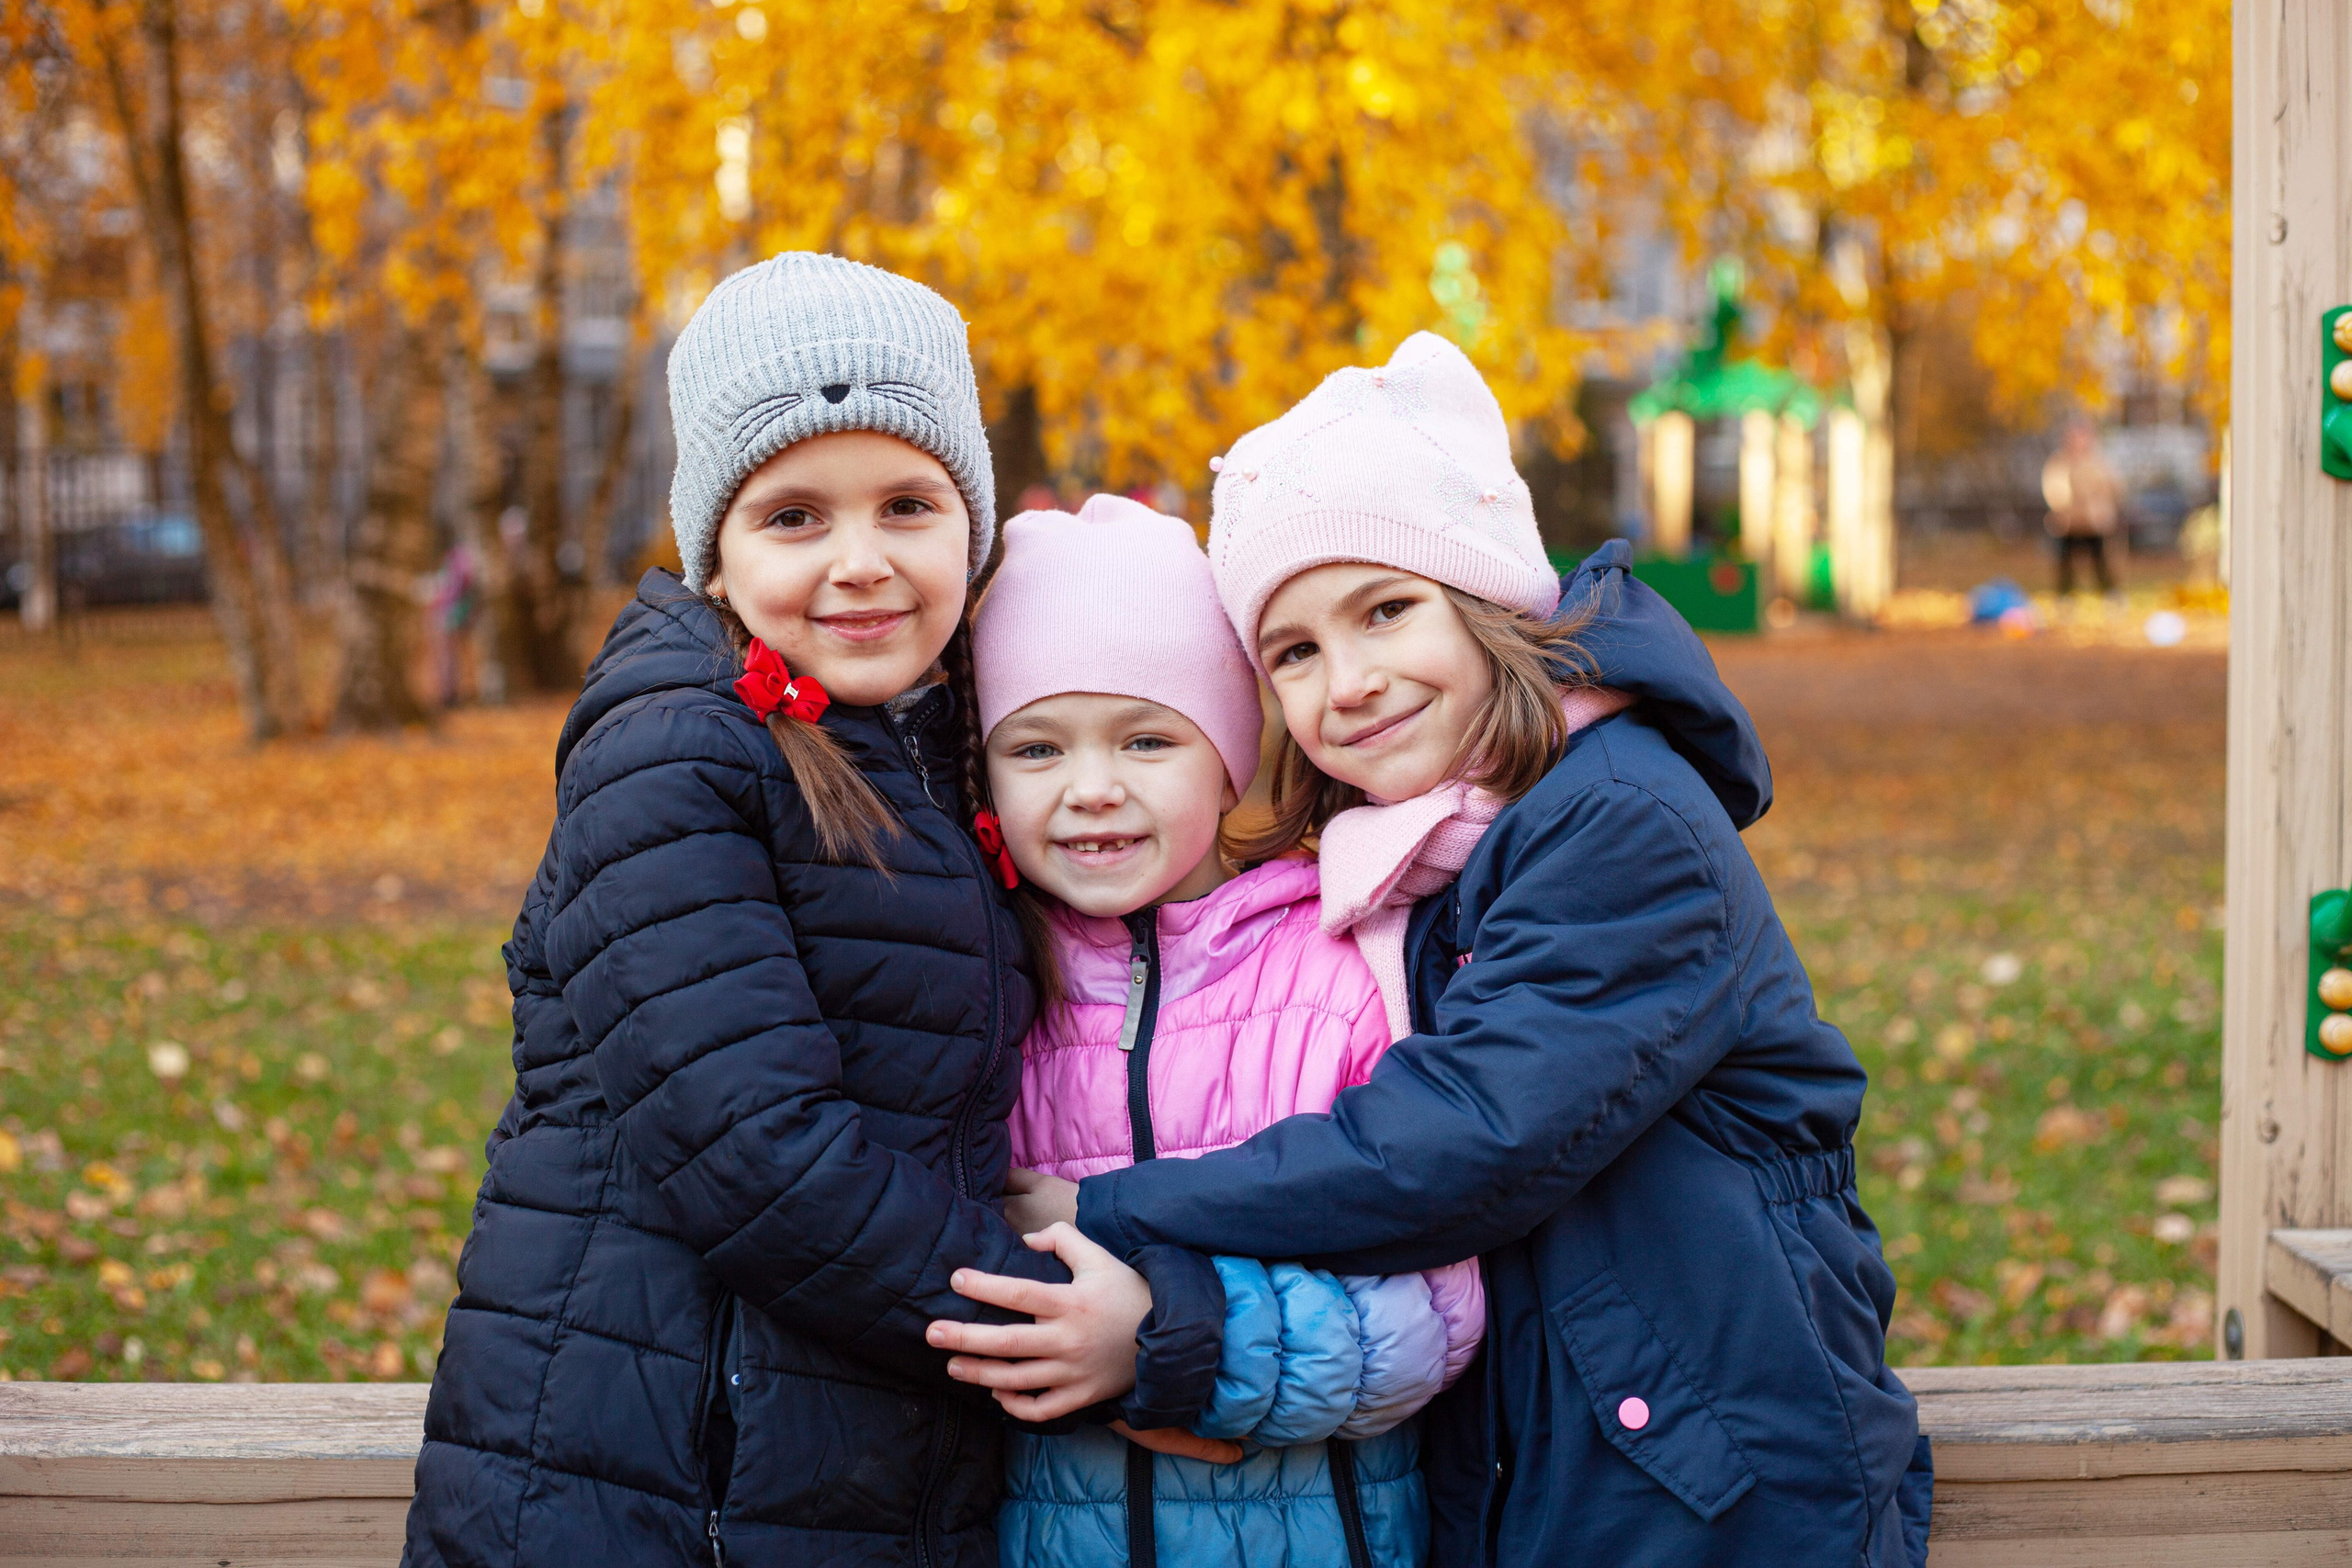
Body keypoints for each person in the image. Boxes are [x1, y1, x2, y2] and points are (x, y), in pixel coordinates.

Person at [933, 333, 1933, 1567]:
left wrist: (1110, 1205)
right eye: (1295, 651)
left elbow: (1464, 1139)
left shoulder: (1619, 822)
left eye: (1385, 610)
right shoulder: (1428, 849)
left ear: (1487, 599)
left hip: (1715, 1472)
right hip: (1569, 1457)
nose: (1347, 680)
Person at [401, 254, 1222, 1568]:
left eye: (908, 504)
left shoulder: (944, 752)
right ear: (716, 552)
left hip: (844, 1475)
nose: (861, 562)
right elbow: (762, 1159)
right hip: (657, 1489)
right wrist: (1103, 1330)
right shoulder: (673, 755)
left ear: (971, 528)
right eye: (794, 516)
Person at [967, 494, 1484, 1567]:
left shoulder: (1337, 970)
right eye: (1037, 748)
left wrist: (1163, 1340)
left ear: (1227, 759)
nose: (1092, 788)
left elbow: (1429, 1314)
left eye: (1147, 739)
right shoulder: (989, 991)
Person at [2042, 418, 2124, 596]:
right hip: (2069, 522)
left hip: (2093, 522)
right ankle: (2064, 595)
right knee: (2065, 561)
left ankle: (2110, 593)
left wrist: (2105, 510)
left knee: (2100, 559)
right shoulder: (2060, 462)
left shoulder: (2098, 462)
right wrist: (2060, 510)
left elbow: (2110, 488)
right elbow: (2055, 488)